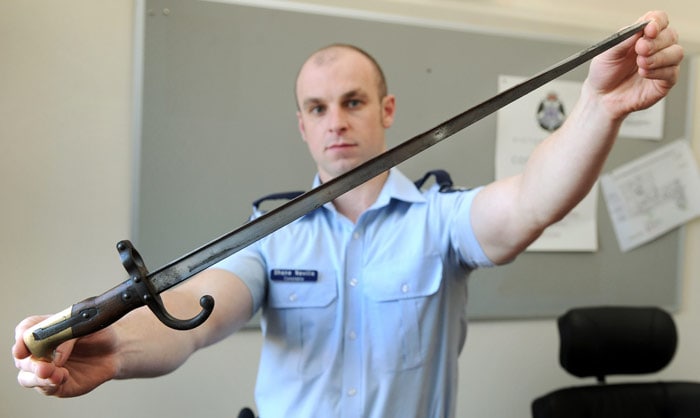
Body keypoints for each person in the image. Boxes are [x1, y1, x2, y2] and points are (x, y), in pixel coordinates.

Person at [14, 10, 683, 418]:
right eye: (317, 107)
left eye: (354, 102)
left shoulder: (439, 222)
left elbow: (532, 203)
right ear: (301, 126)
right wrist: (113, 348)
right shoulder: (269, 237)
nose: (336, 122)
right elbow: (193, 316)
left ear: (387, 111)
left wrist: (602, 107)